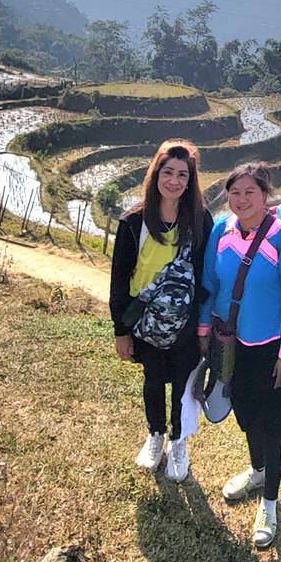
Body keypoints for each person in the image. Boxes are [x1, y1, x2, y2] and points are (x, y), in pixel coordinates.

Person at [198, 162, 281, 548]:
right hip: (232, 346)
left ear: (265, 195)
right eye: (235, 192)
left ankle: (270, 503)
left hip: (271, 349)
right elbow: (209, 284)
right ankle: (258, 470)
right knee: (244, 414)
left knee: (273, 425)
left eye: (250, 192)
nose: (241, 200)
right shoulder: (220, 232)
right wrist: (203, 330)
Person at [110, 139, 213, 482]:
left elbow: (204, 276)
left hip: (185, 322)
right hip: (145, 321)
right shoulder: (133, 222)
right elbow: (120, 279)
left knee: (183, 385)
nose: (174, 180)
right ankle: (155, 435)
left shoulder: (200, 221)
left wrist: (203, 327)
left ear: (190, 180)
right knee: (153, 379)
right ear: (155, 174)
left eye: (183, 175)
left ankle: (178, 440)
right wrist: (120, 330)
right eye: (168, 172)